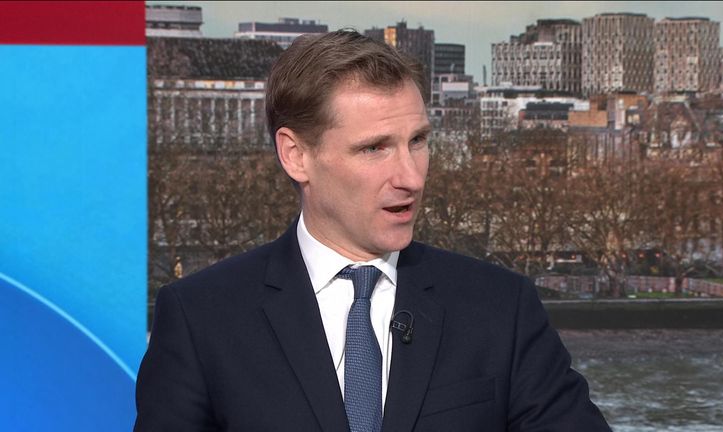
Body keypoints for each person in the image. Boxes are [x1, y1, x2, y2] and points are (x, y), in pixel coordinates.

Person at [134, 30, 610, 432]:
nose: (411, 177)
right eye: (374, 148)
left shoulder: (501, 309)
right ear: (296, 155)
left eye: (417, 141)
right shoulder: (202, 320)